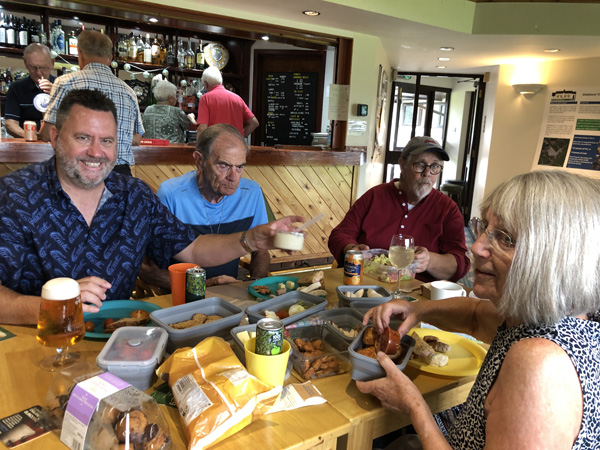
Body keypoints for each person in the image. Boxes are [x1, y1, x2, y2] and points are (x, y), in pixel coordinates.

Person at [0, 89, 302, 326]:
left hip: (120, 338)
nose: (96, 152)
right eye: (83, 138)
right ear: (54, 137)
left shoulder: (135, 196)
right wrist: (58, 306)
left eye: (106, 140)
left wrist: (252, 239)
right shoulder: (15, 196)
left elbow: (194, 250)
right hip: (36, 342)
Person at [358, 170, 600, 449]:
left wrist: (414, 406)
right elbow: (474, 315)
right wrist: (418, 309)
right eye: (485, 227)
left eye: (506, 238)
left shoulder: (540, 365)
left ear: (554, 260)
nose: (477, 246)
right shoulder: (543, 319)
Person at [139, 123, 270, 288]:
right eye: (223, 165)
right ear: (199, 161)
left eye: (239, 167)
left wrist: (254, 287)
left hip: (230, 293)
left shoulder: (251, 192)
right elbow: (147, 269)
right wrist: (205, 285)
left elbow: (261, 249)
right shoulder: (171, 194)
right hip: (181, 296)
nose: (233, 177)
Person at [328, 136, 469, 283]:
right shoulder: (375, 196)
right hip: (367, 283)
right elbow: (340, 234)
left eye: (434, 166)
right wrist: (352, 249)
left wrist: (430, 261)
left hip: (417, 295)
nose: (427, 173)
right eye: (420, 165)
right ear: (402, 165)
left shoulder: (448, 209)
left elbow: (460, 264)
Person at [39, 30, 143, 176]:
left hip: (80, 171)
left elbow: (46, 133)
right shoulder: (128, 91)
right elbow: (137, 139)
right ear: (110, 58)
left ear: (79, 54)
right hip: (120, 174)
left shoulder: (65, 83)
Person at [4, 43, 55, 138]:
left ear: (52, 63)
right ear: (25, 63)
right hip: (28, 146)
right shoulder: (17, 88)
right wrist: (31, 136)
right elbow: (10, 124)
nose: (39, 72)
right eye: (33, 67)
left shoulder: (62, 86)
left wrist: (56, 94)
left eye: (43, 67)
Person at [197, 65, 259, 138]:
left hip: (216, 146)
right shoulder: (238, 99)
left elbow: (202, 128)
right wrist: (240, 137)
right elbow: (254, 123)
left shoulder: (206, 98)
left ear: (206, 84)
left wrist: (199, 147)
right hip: (236, 147)